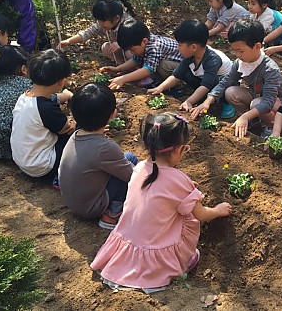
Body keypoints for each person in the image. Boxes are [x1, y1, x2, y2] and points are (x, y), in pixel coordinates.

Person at [90, 112, 232, 292]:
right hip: (154, 254)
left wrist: (184, 189)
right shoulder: (179, 180)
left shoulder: (139, 168)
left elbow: (158, 192)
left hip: (128, 241)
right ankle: (178, 262)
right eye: (185, 149)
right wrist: (218, 210)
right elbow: (202, 215)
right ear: (178, 150)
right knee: (188, 218)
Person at [59, 83, 137, 229]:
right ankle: (112, 214)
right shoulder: (104, 148)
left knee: (127, 158)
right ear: (113, 114)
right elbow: (133, 177)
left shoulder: (76, 134)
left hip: (72, 201)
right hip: (91, 208)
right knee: (132, 165)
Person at [190, 19, 282, 138]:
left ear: (257, 46)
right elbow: (226, 82)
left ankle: (271, 125)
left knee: (257, 103)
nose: (237, 55)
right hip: (258, 97)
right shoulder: (241, 62)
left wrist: (244, 116)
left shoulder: (270, 69)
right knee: (231, 92)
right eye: (234, 50)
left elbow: (268, 102)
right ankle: (254, 120)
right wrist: (207, 101)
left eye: (241, 51)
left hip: (277, 103)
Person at [10, 49, 75, 188]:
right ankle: (60, 175)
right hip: (42, 167)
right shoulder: (46, 108)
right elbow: (67, 129)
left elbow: (53, 98)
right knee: (78, 133)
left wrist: (65, 95)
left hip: (23, 161)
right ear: (61, 82)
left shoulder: (25, 97)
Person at [147, 20, 234, 117]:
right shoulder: (191, 56)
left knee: (221, 84)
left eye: (180, 45)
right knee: (185, 73)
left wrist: (189, 101)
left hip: (222, 83)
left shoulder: (213, 60)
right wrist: (160, 88)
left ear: (193, 47)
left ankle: (227, 103)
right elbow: (176, 75)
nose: (177, 48)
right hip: (206, 80)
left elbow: (206, 86)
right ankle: (200, 96)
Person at [100, 18, 182, 90]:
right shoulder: (143, 43)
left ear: (144, 41)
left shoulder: (155, 47)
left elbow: (147, 70)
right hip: (173, 64)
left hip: (183, 68)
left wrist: (123, 79)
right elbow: (135, 60)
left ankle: (164, 82)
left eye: (132, 49)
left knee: (162, 65)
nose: (132, 52)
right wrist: (117, 69)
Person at [56, 0, 135, 65]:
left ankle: (137, 69)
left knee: (129, 53)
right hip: (122, 49)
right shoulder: (102, 24)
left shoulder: (128, 23)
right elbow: (87, 33)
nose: (100, 24)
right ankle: (124, 67)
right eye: (98, 20)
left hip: (136, 51)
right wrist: (68, 41)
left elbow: (138, 42)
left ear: (116, 19)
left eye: (103, 21)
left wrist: (121, 44)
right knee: (106, 47)